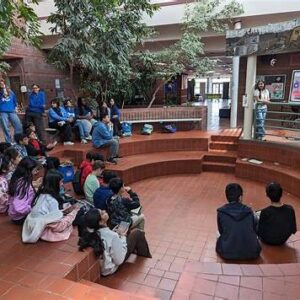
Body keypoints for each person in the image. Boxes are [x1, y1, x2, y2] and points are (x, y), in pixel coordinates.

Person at [78, 208, 151, 276]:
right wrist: (122, 236)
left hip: (104, 266)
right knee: (137, 233)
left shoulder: (92, 232)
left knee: (129, 231)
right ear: (100, 222)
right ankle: (146, 256)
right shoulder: (112, 236)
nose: (104, 211)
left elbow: (106, 240)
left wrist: (114, 233)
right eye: (102, 213)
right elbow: (119, 260)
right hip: (110, 269)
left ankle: (140, 251)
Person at [22, 170, 80, 243]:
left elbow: (51, 213)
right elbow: (58, 226)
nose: (62, 184)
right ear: (54, 184)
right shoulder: (52, 200)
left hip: (33, 223)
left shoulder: (42, 193)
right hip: (43, 229)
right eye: (61, 182)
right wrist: (73, 213)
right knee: (78, 215)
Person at [216, 183, 261, 260]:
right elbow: (254, 229)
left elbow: (221, 231)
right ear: (240, 197)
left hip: (227, 253)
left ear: (227, 197)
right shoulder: (249, 211)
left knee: (218, 237)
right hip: (252, 253)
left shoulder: (221, 212)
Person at [8, 157, 42, 224]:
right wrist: (32, 209)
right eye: (35, 170)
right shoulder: (23, 185)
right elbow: (19, 207)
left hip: (15, 214)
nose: (35, 172)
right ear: (29, 170)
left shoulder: (17, 178)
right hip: (20, 217)